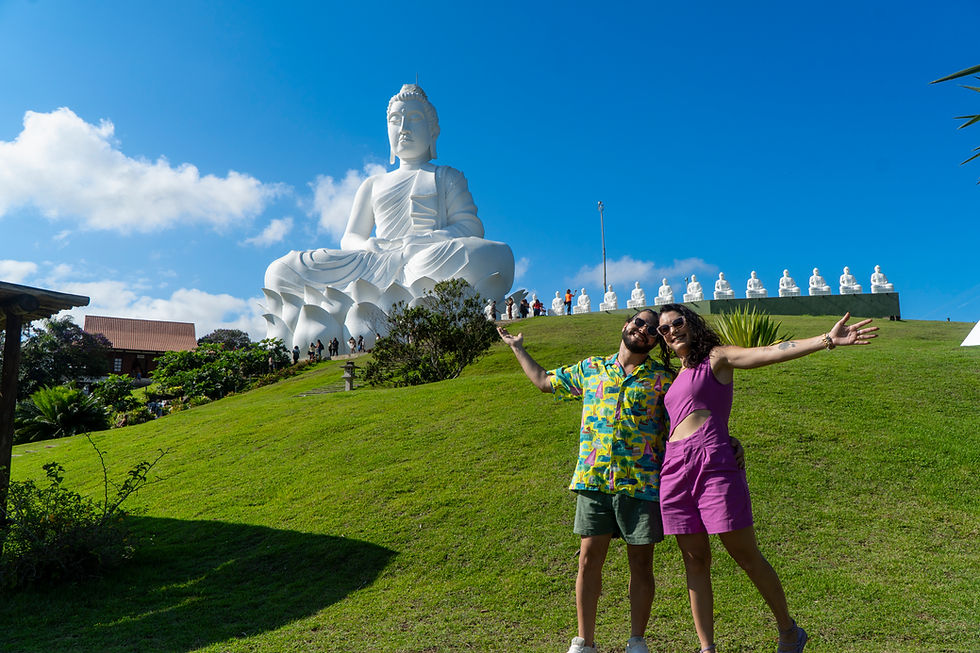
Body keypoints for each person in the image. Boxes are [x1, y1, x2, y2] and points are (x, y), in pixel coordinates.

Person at [498, 311, 742, 653]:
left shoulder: (664, 378)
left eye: (652, 330)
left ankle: (637, 641)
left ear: (657, 342)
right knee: (587, 559)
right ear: (625, 326)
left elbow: (694, 409)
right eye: (639, 323)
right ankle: (584, 642)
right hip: (594, 480)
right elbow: (543, 381)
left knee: (641, 564)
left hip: (642, 482)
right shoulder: (591, 369)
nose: (643, 331)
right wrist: (518, 349)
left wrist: (725, 438)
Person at [654, 304, 877, 653]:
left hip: (712, 463)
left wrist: (825, 340)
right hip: (674, 470)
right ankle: (706, 648)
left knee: (745, 553)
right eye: (663, 330)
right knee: (694, 560)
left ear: (692, 324)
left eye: (677, 322)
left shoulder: (717, 357)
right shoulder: (674, 377)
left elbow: (768, 353)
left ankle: (789, 630)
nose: (671, 331)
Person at [263, 84, 514, 305]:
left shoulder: (447, 176)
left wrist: (424, 241)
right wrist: (367, 246)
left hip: (426, 257)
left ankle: (381, 295)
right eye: (395, 120)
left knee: (496, 255)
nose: (403, 128)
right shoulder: (373, 183)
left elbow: (471, 227)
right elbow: (350, 238)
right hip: (373, 262)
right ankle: (391, 291)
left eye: (414, 118)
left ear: (433, 131)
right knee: (280, 271)